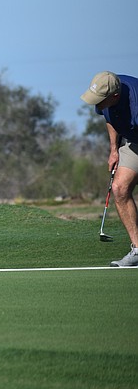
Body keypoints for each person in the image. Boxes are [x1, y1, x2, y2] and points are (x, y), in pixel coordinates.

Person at [80, 71, 138, 266]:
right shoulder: (107, 96)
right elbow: (110, 118)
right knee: (119, 188)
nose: (96, 105)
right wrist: (114, 150)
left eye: (100, 100)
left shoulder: (135, 104)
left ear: (115, 96)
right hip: (134, 141)